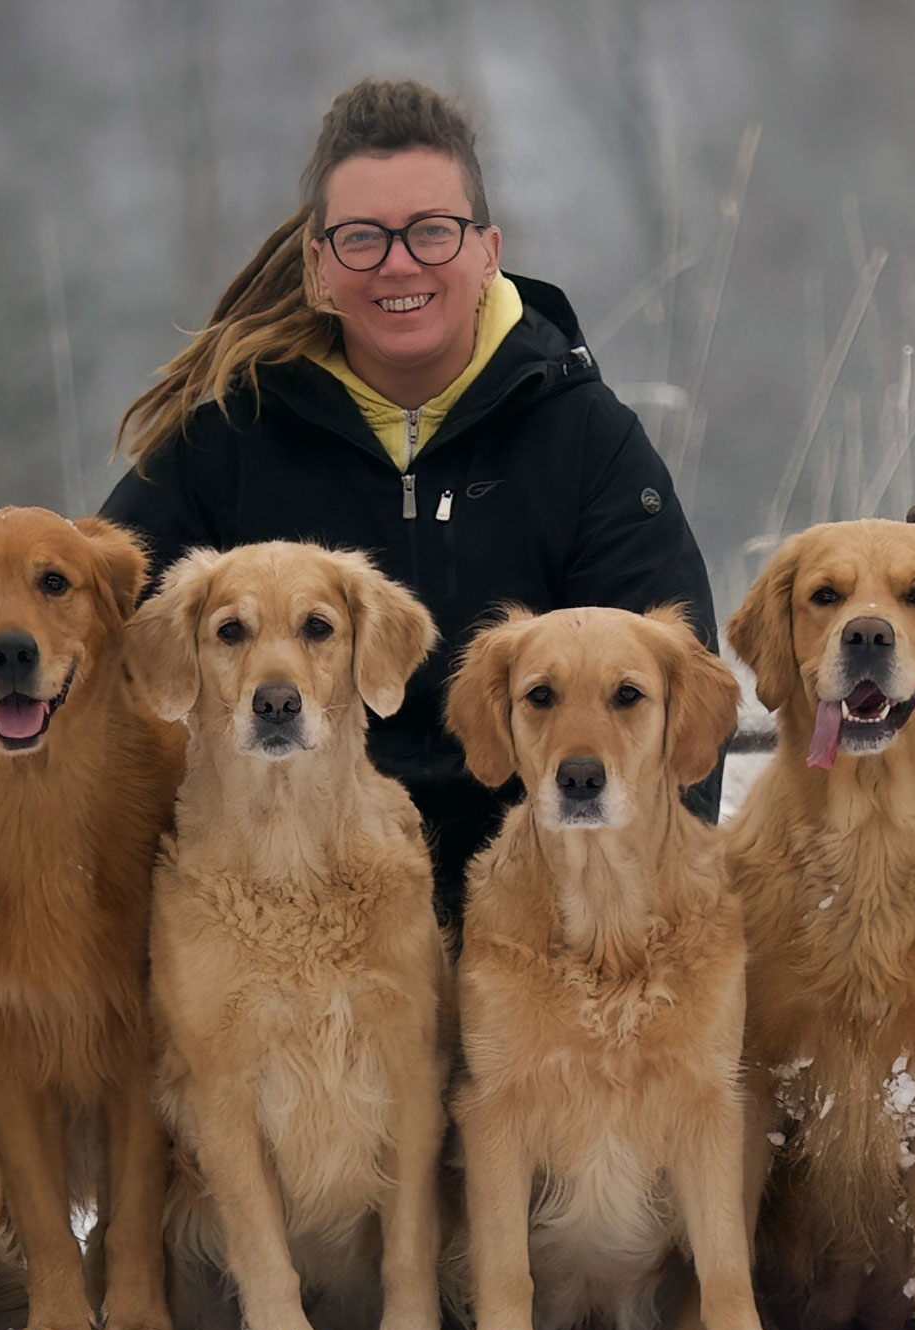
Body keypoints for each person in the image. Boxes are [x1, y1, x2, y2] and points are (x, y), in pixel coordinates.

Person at [101, 77, 717, 924]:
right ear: (319, 265)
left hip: (526, 907)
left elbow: (675, 712)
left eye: (432, 231)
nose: (399, 264)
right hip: (274, 902)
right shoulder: (227, 440)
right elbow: (90, 633)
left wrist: (652, 928)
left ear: (487, 249)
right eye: (362, 238)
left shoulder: (584, 438)